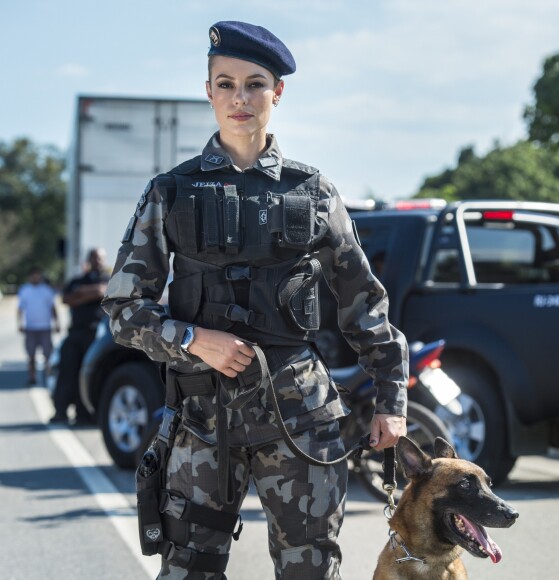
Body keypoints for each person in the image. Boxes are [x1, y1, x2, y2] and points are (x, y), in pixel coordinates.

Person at [102, 21, 408, 580]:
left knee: (309, 571)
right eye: (225, 84)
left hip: (302, 418)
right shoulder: (170, 192)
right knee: (188, 571)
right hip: (202, 422)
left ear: (278, 92)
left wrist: (391, 400)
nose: (239, 98)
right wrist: (195, 341)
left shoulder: (313, 192)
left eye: (254, 84)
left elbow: (364, 302)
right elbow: (124, 310)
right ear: (209, 91)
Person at [50, 248, 109, 425]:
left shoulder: (109, 279)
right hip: (75, 333)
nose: (96, 261)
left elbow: (103, 292)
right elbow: (66, 299)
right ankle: (60, 411)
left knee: (90, 374)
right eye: (93, 257)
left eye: (99, 258)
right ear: (88, 259)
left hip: (96, 335)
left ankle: (84, 414)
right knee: (66, 372)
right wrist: (92, 293)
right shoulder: (77, 280)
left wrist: (81, 293)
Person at [17, 267, 60, 385]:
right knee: (31, 354)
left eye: (37, 275)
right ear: (29, 277)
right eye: (33, 275)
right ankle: (32, 376)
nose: (35, 277)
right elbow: (20, 308)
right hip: (30, 328)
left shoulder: (46, 290)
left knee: (47, 354)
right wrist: (20, 323)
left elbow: (53, 308)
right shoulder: (24, 290)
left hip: (45, 327)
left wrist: (57, 323)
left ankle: (47, 376)